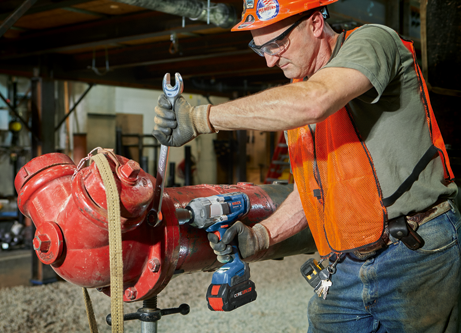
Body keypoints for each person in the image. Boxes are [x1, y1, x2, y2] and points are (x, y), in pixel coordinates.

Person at [152, 0, 461, 332]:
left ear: (315, 23)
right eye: (259, 49)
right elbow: (315, 190)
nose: (270, 59)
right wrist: (262, 236)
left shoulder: (373, 41)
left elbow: (317, 100)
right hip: (345, 264)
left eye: (277, 43)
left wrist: (201, 118)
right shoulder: (298, 91)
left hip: (415, 255)